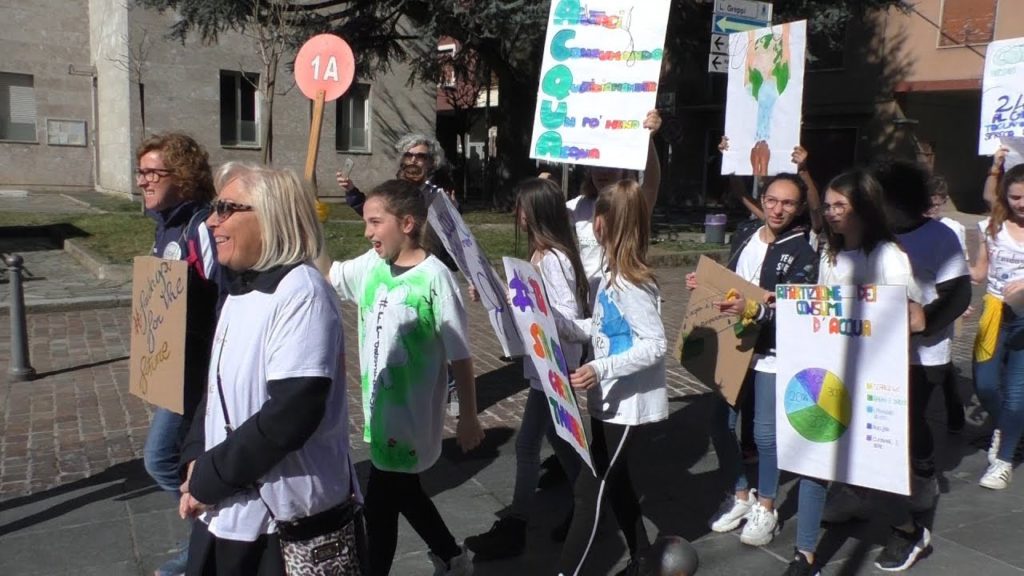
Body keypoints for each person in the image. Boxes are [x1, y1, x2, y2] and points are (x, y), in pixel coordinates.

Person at [177, 163, 354, 575]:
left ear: (272, 216)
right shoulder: (240, 289)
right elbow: (216, 388)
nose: (211, 220)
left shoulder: (302, 293)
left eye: (225, 209)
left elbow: (290, 415)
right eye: (212, 208)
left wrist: (209, 478)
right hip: (224, 507)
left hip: (278, 521)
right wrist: (194, 457)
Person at [318, 179, 484, 575]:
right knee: (404, 493)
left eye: (375, 222)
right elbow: (329, 273)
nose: (367, 232)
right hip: (380, 415)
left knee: (380, 506)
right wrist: (314, 226)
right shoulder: (372, 266)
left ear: (407, 223)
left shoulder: (435, 279)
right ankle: (451, 556)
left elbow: (460, 354)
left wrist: (469, 415)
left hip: (411, 419)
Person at [783, 169, 925, 576]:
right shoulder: (830, 253)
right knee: (817, 454)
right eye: (826, 206)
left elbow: (914, 319)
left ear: (863, 206)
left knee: (872, 462)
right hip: (831, 372)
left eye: (839, 205)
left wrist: (878, 315)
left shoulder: (888, 256)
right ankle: (805, 553)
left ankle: (907, 528)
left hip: (876, 377)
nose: (830, 213)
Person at [691, 174, 818, 548]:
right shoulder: (746, 233)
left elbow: (792, 310)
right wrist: (704, 285)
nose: (778, 209)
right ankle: (740, 493)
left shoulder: (802, 253)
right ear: (762, 199)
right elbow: (732, 280)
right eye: (772, 200)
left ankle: (767, 505)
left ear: (798, 208)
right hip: (733, 344)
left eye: (788, 203)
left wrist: (754, 307)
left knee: (764, 432)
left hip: (770, 352)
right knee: (720, 423)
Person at [464, 178, 588, 559]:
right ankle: (588, 505)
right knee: (554, 446)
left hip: (555, 368)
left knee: (535, 445)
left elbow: (569, 316)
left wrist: (534, 309)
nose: (516, 215)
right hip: (544, 367)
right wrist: (504, 293)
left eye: (521, 208)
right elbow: (533, 300)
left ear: (536, 212)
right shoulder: (541, 254)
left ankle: (531, 522)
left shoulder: (554, 259)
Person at [557, 180, 668, 576]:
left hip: (626, 406)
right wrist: (562, 325)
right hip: (608, 401)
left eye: (591, 218)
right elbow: (602, 327)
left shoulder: (629, 281)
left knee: (591, 493)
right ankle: (643, 557)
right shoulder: (610, 274)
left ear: (602, 224)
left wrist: (599, 368)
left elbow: (655, 344)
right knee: (616, 485)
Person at [867, 159, 970, 571]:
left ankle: (923, 476)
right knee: (883, 424)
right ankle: (869, 490)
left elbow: (959, 293)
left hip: (923, 354)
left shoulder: (940, 235)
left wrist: (923, 323)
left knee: (911, 421)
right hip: (878, 352)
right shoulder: (876, 236)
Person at [136, 132, 222, 576]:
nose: (143, 181)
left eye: (154, 172)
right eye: (142, 172)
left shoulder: (200, 227)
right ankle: (206, 544)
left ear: (184, 178)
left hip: (200, 368)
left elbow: (221, 296)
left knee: (160, 458)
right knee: (186, 461)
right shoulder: (166, 225)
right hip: (176, 368)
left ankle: (207, 539)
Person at [568, 109, 661, 308]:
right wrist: (541, 189)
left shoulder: (631, 205)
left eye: (610, 165)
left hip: (624, 304)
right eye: (597, 165)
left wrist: (648, 140)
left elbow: (652, 183)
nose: (603, 172)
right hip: (589, 305)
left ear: (624, 167)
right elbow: (545, 216)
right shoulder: (579, 205)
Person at [971, 164, 1024, 490]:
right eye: (1016, 196)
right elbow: (978, 271)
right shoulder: (992, 227)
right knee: (986, 385)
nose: (1022, 203)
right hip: (994, 312)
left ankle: (1003, 461)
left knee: (1017, 396)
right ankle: (1008, 428)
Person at [925, 174, 970, 433]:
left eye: (937, 202)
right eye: (927, 202)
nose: (932, 208)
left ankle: (954, 410)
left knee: (942, 357)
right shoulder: (909, 225)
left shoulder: (953, 228)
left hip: (945, 302)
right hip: (919, 300)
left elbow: (960, 265)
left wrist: (960, 301)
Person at [982, 145, 1009, 210]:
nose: (1022, 204)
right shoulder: (1007, 212)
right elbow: (989, 197)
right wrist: (996, 167)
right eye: (1015, 198)